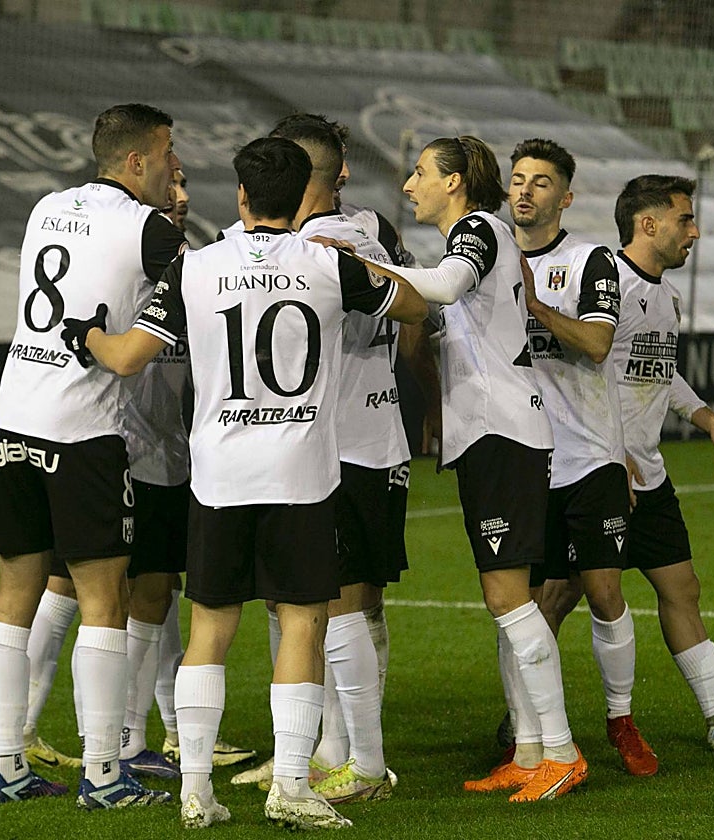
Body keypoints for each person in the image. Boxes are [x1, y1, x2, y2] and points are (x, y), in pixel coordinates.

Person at [61, 136, 427, 828]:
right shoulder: (328, 264)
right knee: (300, 622)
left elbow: (131, 354)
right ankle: (291, 785)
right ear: (303, 200)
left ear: (241, 197)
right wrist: (372, 269)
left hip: (220, 476)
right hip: (302, 474)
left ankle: (196, 789)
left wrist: (88, 339)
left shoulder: (196, 267)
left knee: (211, 627)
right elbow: (412, 309)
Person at [331, 135, 588, 802]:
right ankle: (531, 752)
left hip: (505, 433)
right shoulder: (476, 235)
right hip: (490, 434)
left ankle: (560, 751)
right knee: (505, 600)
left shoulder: (478, 228)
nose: (409, 185)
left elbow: (443, 287)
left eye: (419, 173)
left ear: (454, 183)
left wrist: (358, 269)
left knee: (510, 600)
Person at [541, 175, 714, 754]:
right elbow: (578, 375)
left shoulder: (664, 295)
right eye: (685, 219)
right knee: (558, 597)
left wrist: (709, 420)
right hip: (603, 472)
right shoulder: (609, 285)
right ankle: (525, 718)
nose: (695, 231)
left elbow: (659, 373)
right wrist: (612, 458)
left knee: (682, 587)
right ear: (648, 223)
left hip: (646, 473)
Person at [18, 165, 256, 777]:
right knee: (90, 589)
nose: (178, 197)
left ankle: (154, 732)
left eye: (184, 191)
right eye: (169, 185)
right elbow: (117, 354)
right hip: (123, 452)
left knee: (150, 590)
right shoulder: (127, 272)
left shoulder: (192, 276)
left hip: (167, 456)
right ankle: (100, 739)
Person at [0, 102, 184, 808]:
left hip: (13, 417)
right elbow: (184, 290)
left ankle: (7, 767)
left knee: (15, 595)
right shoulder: (149, 228)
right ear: (137, 161)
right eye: (166, 155)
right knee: (106, 598)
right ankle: (104, 775)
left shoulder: (47, 208)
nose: (171, 169)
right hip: (82, 428)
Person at [246, 113, 411, 804]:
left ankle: (347, 756)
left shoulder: (306, 248)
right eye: (337, 163)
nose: (345, 174)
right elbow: (415, 314)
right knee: (344, 602)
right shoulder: (376, 230)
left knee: (318, 603)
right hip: (376, 443)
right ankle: (325, 748)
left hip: (329, 449)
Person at [502, 138, 657, 779]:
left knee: (603, 591)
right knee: (520, 603)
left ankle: (620, 719)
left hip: (589, 453)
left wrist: (533, 305)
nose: (525, 191)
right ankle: (527, 739)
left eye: (541, 182)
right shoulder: (487, 260)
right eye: (517, 179)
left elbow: (596, 342)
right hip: (522, 457)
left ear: (565, 197)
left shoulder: (589, 260)